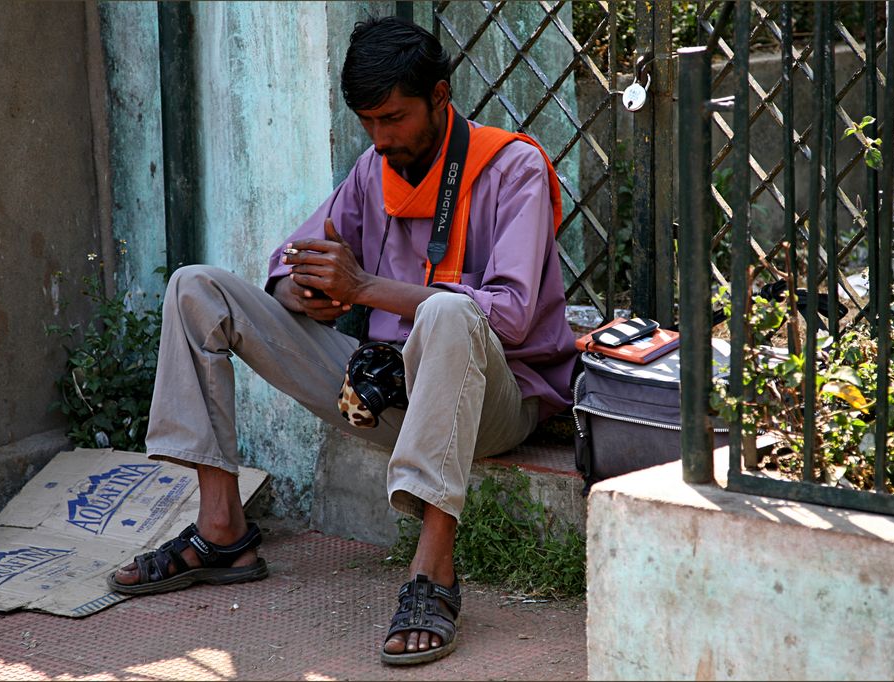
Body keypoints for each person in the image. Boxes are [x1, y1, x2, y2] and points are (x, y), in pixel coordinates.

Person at [106, 15, 576, 666]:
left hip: (492, 407)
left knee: (449, 315)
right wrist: (296, 290)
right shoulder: (372, 169)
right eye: (368, 122)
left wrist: (365, 289)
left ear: (441, 97)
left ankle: (432, 572)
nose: (381, 138)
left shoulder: (512, 166)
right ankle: (222, 531)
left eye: (394, 118)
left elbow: (514, 314)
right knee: (195, 286)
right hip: (378, 392)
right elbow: (293, 255)